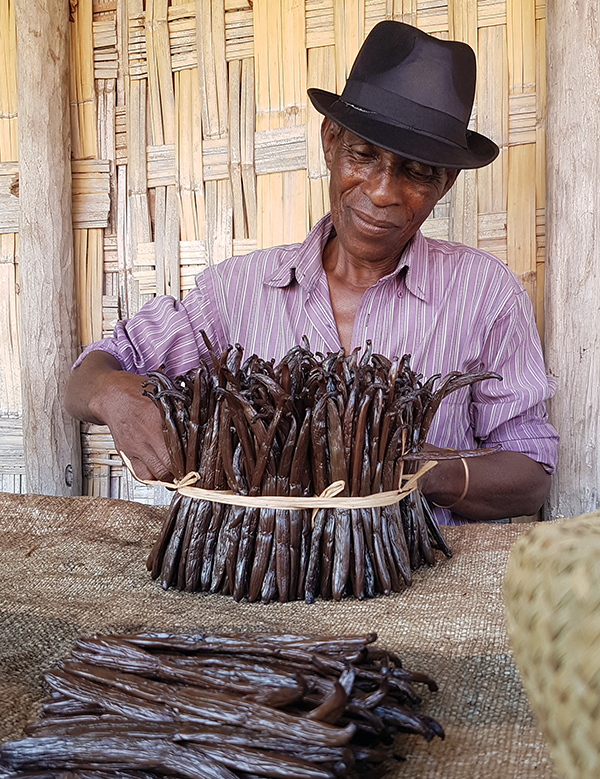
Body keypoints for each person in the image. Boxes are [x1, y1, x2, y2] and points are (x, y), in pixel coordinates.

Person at [65, 21, 558, 525]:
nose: (382, 191)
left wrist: (420, 469)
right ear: (330, 141)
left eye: (417, 172)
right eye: (363, 155)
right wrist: (114, 394)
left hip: (422, 574)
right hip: (256, 575)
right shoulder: (234, 292)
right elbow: (88, 374)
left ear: (445, 183)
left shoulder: (485, 294)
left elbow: (531, 472)